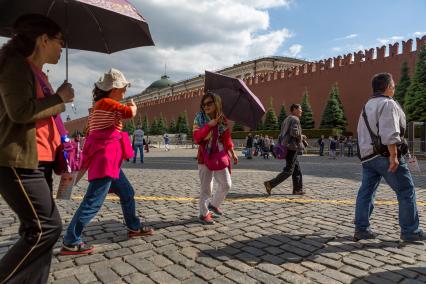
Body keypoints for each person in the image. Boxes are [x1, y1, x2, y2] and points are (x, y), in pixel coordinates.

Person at [0, 14, 75, 284]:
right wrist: (60, 98)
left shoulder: (39, 73)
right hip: (18, 161)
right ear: (43, 39)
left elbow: (49, 121)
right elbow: (19, 112)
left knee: (38, 232)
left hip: (39, 161)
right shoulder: (15, 67)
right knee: (46, 229)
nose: (61, 48)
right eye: (60, 41)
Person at [61, 68, 154, 255]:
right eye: (123, 87)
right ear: (113, 88)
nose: (125, 91)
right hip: (106, 159)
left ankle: (133, 226)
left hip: (110, 160)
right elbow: (129, 113)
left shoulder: (101, 104)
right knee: (93, 202)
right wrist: (134, 105)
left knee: (127, 192)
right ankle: (71, 240)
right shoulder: (107, 102)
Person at [354, 72, 424, 242]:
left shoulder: (367, 106)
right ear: (387, 87)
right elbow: (389, 131)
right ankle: (410, 231)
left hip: (368, 157)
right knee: (406, 190)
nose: (395, 87)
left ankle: (361, 229)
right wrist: (393, 155)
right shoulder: (388, 103)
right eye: (393, 85)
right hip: (384, 155)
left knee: (367, 191)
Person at [193, 92, 238, 224]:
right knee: (206, 187)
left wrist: (232, 152)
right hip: (204, 156)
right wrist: (210, 125)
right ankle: (203, 213)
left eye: (209, 103)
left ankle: (214, 204)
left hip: (220, 155)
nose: (205, 106)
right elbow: (197, 137)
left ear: (216, 103)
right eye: (204, 104)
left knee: (226, 184)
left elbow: (226, 138)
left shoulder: (222, 119)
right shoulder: (199, 118)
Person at [264, 104, 306, 195]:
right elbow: (294, 132)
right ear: (294, 109)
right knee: (289, 170)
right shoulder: (295, 119)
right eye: (300, 109)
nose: (301, 111)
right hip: (292, 147)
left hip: (286, 146)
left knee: (296, 169)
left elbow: (282, 134)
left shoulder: (286, 119)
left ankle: (297, 189)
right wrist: (301, 136)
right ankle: (270, 184)